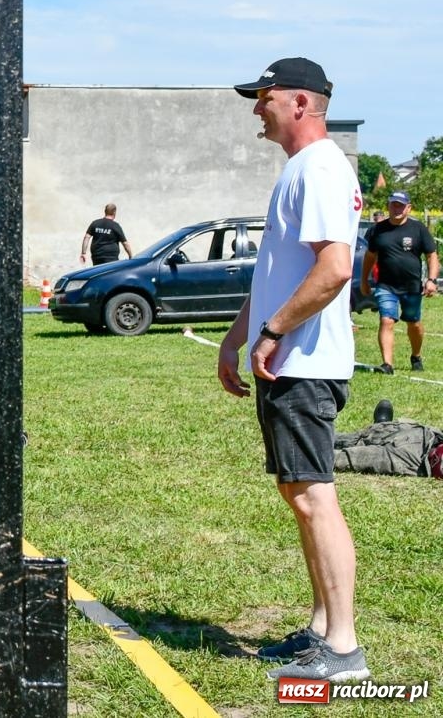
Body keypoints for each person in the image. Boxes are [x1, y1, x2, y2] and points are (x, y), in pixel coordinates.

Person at [217, 58, 368, 683]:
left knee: (313, 496)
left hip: (304, 363)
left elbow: (334, 269)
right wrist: (237, 336)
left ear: (301, 102)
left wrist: (274, 332)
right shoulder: (303, 169)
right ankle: (319, 630)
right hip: (289, 362)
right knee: (298, 492)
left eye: (265, 96)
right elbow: (279, 270)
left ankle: (344, 649)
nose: (257, 106)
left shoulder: (325, 167)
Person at [360, 191, 438, 374]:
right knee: (386, 320)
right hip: (386, 286)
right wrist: (364, 279)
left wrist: (432, 280)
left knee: (414, 323)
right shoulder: (377, 230)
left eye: (401, 205)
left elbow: (431, 255)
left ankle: (416, 355)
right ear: (388, 206)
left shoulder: (418, 229)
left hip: (411, 286)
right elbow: (370, 256)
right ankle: (387, 364)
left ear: (408, 208)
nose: (397, 208)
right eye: (393, 204)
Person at [333, 401, 443, 479]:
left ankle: (376, 430)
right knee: (386, 430)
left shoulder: (405, 459)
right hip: (425, 438)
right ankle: (381, 425)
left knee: (357, 449)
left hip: (412, 456)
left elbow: (357, 458)